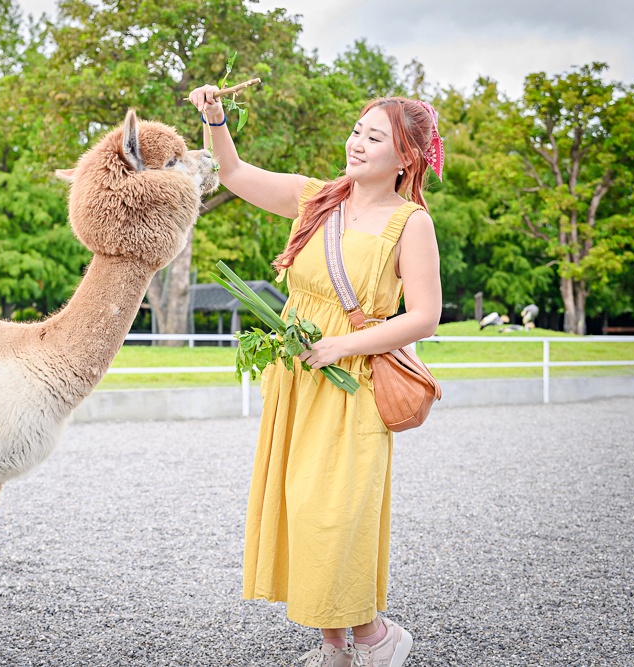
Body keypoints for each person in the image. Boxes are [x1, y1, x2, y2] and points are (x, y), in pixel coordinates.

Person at [188, 85, 443, 667]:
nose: (357, 143)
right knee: (299, 508)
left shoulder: (411, 224)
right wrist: (216, 119)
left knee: (330, 514)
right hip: (299, 377)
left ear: (405, 157)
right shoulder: (316, 198)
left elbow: (424, 317)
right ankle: (336, 649)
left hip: (353, 383)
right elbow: (233, 173)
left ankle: (375, 636)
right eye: (357, 131)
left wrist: (340, 347)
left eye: (374, 137)